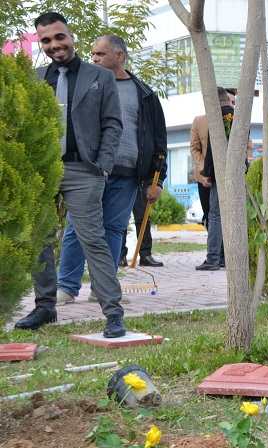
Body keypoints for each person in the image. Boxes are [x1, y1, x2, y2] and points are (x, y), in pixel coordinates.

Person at [14, 12, 125, 338]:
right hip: (43, 171)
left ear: (71, 35)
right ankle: (45, 307)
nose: (54, 45)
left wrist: (102, 167)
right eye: (46, 40)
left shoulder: (99, 77)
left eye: (59, 37)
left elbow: (113, 124)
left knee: (93, 240)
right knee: (40, 241)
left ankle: (113, 314)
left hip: (83, 169)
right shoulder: (34, 80)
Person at [56, 34, 167, 307]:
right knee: (76, 227)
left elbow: (158, 139)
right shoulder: (85, 85)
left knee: (114, 229)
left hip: (127, 172)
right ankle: (66, 287)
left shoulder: (144, 93)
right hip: (89, 170)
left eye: (100, 54)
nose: (93, 59)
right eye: (92, 54)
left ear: (119, 56)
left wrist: (158, 179)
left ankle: (102, 288)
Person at [195, 87, 235, 271]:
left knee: (215, 215)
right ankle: (230, 258)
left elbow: (213, 148)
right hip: (236, 172)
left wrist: (207, 172)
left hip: (220, 173)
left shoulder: (217, 117)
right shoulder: (238, 115)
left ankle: (213, 258)